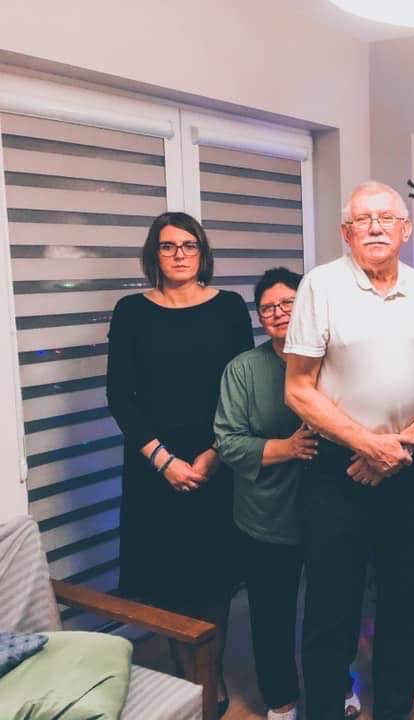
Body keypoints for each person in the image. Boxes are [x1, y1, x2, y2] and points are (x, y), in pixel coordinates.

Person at [284, 181, 414, 720]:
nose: (376, 227)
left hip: (408, 464)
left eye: (387, 218)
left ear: (406, 230)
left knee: (404, 603)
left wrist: (398, 446)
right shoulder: (321, 286)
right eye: (364, 219)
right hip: (339, 469)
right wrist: (365, 444)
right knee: (331, 609)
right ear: (346, 232)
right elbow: (297, 388)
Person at [106, 211, 253, 716]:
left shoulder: (230, 308)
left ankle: (207, 682)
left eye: (189, 245)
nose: (180, 254)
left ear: (202, 252)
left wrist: (214, 454)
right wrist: (163, 459)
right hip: (154, 466)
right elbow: (119, 395)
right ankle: (184, 676)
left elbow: (243, 387)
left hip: (217, 458)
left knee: (212, 576)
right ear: (155, 255)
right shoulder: (131, 311)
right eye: (169, 246)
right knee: (167, 578)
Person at [214, 268, 362, 720]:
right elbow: (227, 440)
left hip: (332, 511)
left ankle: (337, 689)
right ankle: (280, 701)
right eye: (268, 308)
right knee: (271, 616)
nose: (279, 314)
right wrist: (287, 448)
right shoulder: (243, 369)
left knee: (334, 612)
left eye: (288, 304)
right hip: (265, 515)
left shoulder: (336, 363)